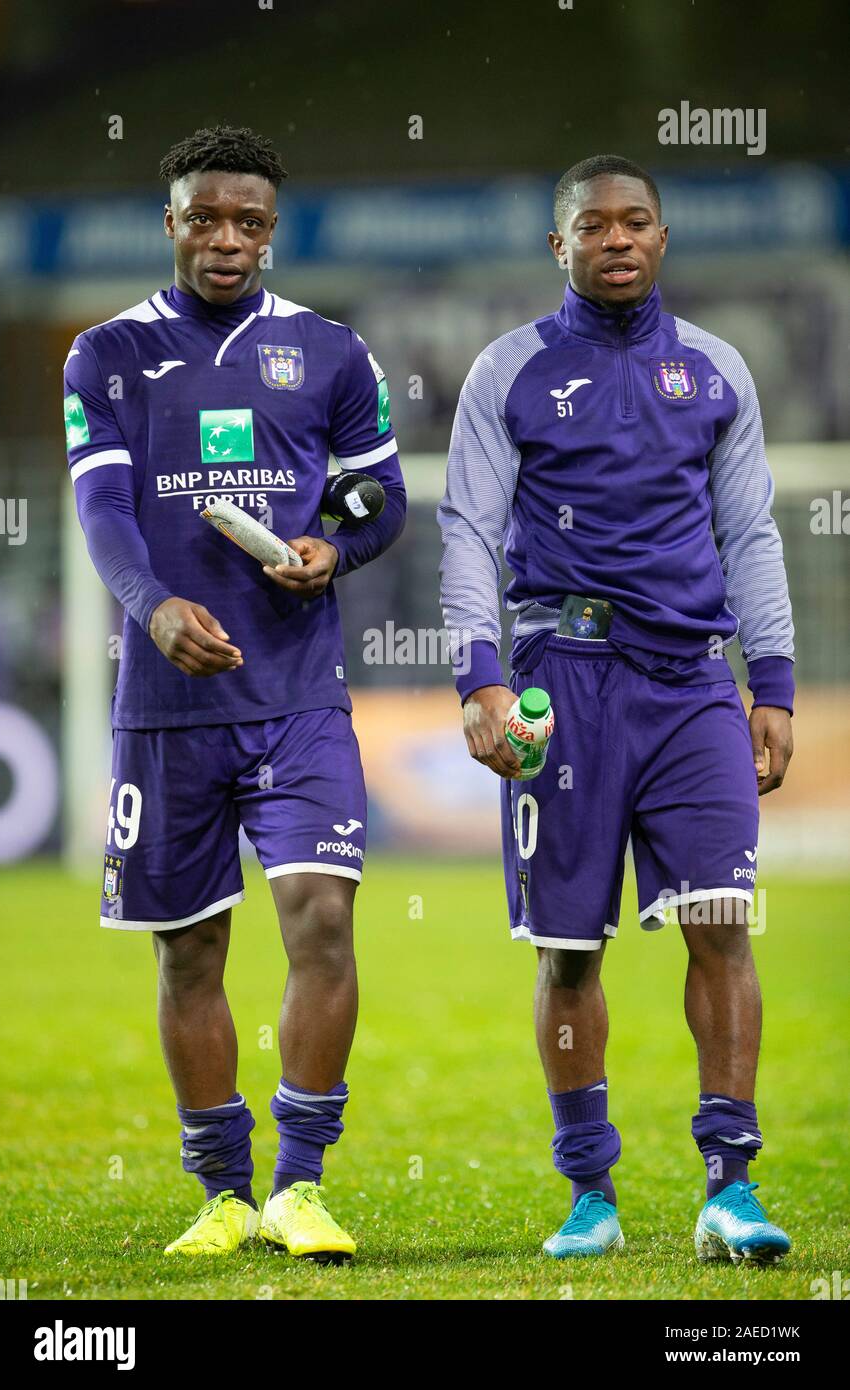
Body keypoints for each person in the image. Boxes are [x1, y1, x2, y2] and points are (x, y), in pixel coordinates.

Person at [438, 154, 793, 1264]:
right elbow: (465, 527)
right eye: (591, 226)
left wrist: (769, 680)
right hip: (565, 679)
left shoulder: (716, 369)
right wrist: (479, 677)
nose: (616, 239)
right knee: (567, 949)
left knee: (721, 923)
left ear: (661, 235)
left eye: (635, 221)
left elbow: (749, 535)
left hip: (691, 681)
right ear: (559, 247)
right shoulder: (507, 370)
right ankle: (588, 1189)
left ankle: (728, 1186)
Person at [64, 124, 405, 1262]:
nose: (225, 239)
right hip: (165, 707)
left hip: (298, 690)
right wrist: (153, 607)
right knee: (188, 952)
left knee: (320, 914)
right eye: (204, 217)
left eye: (248, 221)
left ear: (273, 229)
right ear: (170, 222)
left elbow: (379, 499)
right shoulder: (104, 355)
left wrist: (329, 549)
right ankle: (221, 1191)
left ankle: (300, 1183)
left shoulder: (331, 353)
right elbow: (104, 513)